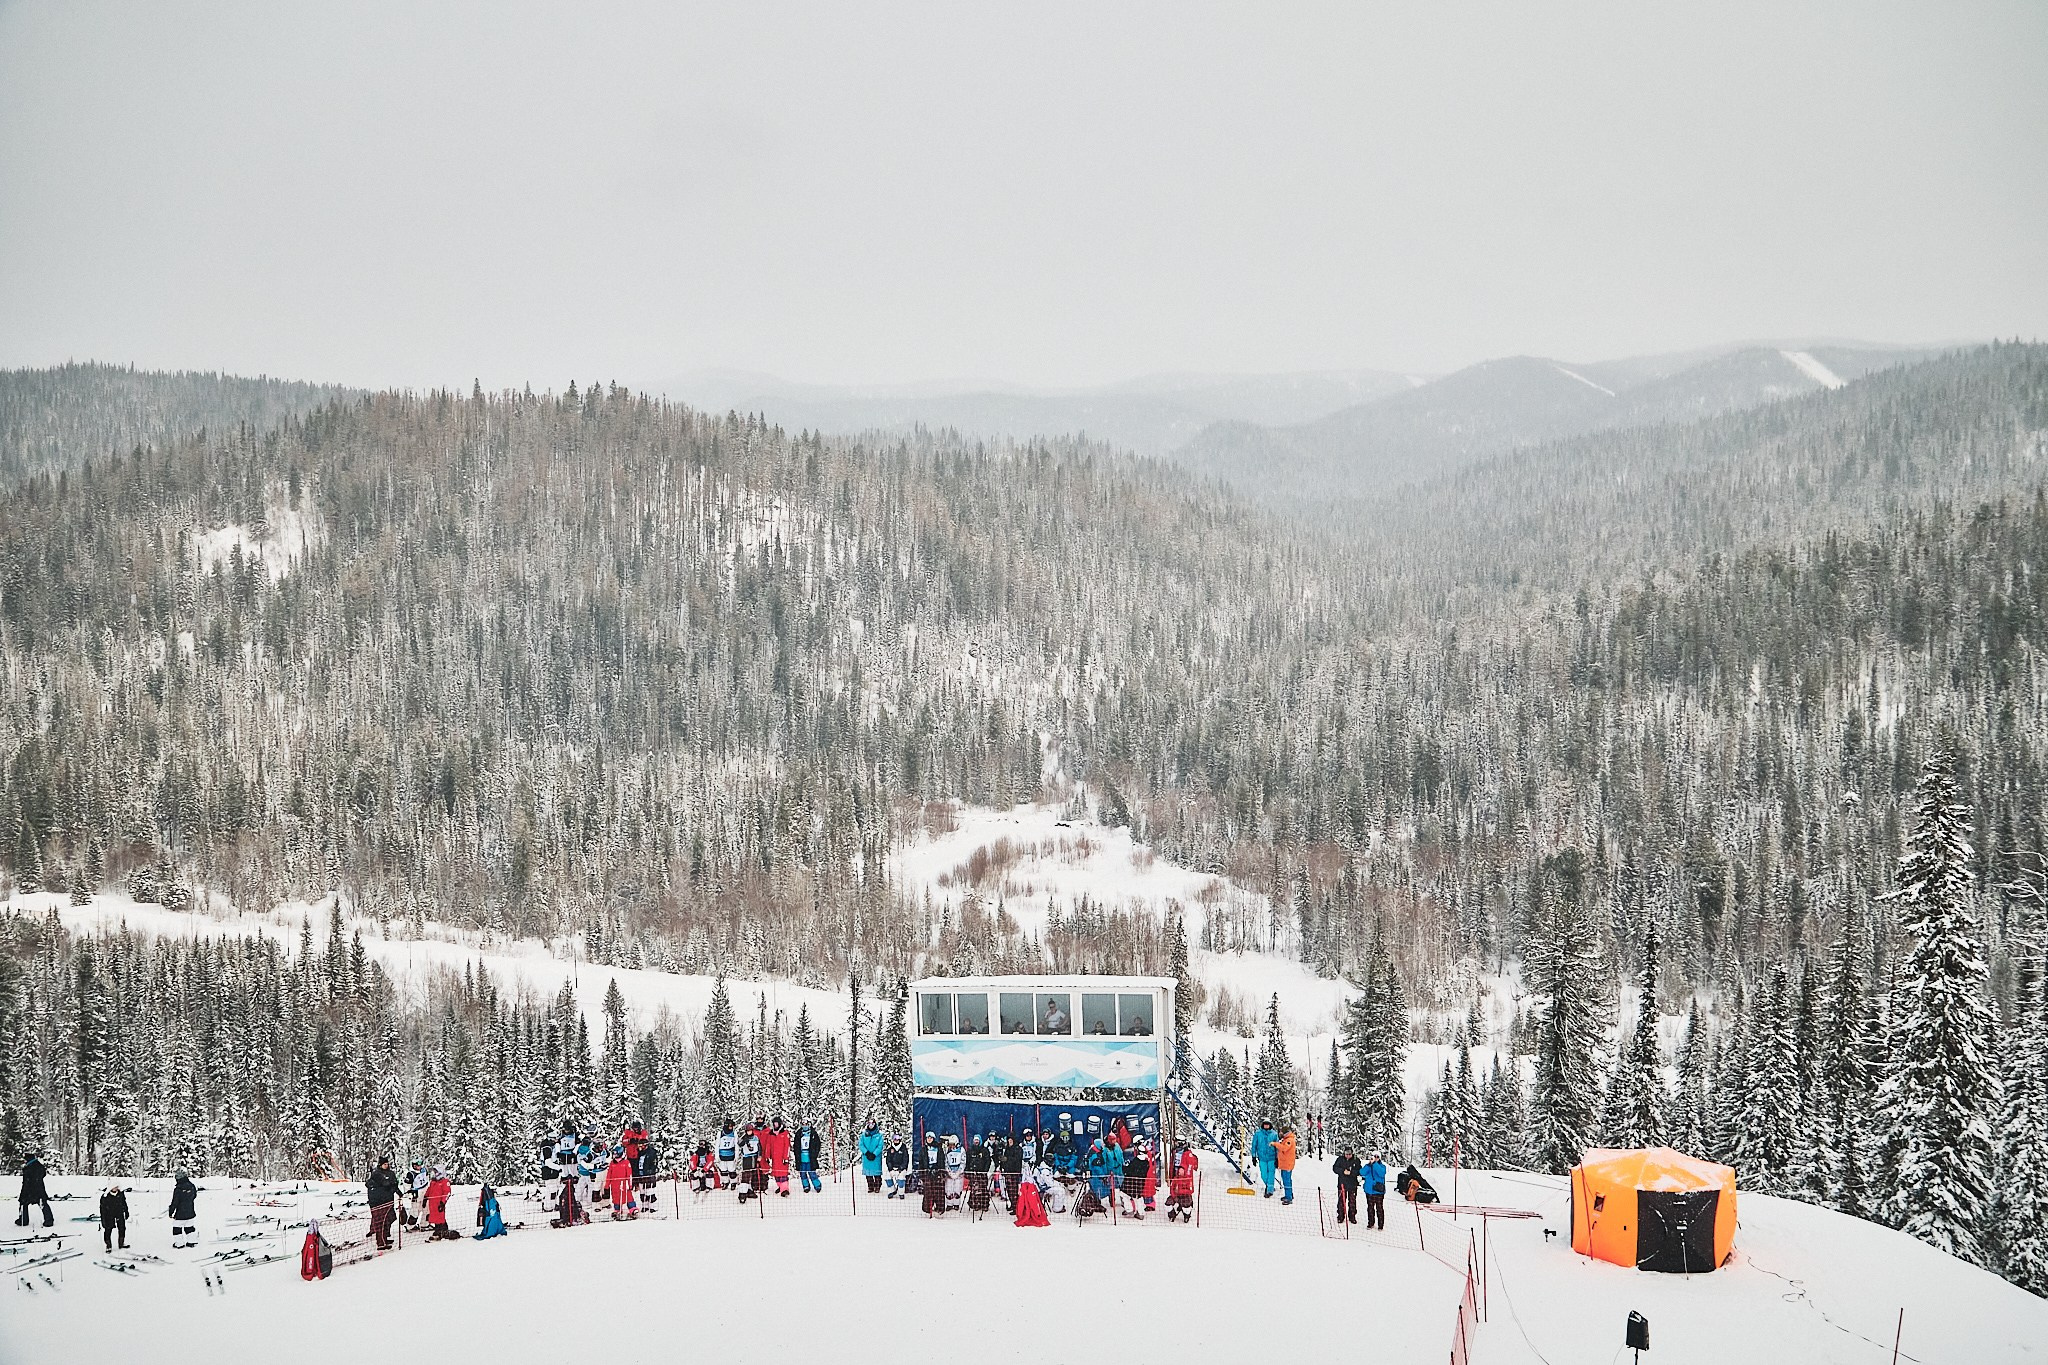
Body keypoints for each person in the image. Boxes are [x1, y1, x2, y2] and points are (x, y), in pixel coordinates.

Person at [367, 1157, 401, 1250]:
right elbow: (386, 1184)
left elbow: (393, 1184)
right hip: (379, 1203)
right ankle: (381, 1242)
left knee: (389, 1219)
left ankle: (385, 1238)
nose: (386, 1165)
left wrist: (397, 1191)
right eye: (384, 1164)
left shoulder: (391, 1173)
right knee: (380, 1223)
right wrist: (390, 1186)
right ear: (380, 1165)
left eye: (387, 1164)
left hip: (388, 1201)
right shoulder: (376, 1174)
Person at [16, 1153, 52, 1229]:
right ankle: (49, 1220)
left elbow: (27, 1181)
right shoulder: (39, 1166)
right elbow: (42, 1174)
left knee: (23, 1204)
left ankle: (23, 1220)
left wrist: (25, 1191)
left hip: (29, 1190)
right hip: (39, 1189)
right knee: (43, 1204)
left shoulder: (29, 1167)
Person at [168, 1168, 201, 1249]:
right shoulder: (192, 1186)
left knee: (177, 1228)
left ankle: (179, 1244)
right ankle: (192, 1241)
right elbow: (194, 1196)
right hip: (190, 1211)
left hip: (180, 1213)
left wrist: (171, 1211)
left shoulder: (178, 1189)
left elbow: (175, 1202)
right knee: (189, 1227)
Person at [425, 1166, 460, 1240]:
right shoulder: (433, 1182)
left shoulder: (444, 1182)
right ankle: (439, 1231)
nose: (435, 1174)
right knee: (434, 1217)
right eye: (435, 1172)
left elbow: (447, 1192)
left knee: (440, 1217)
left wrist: (443, 1202)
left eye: (437, 1172)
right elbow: (429, 1190)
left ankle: (441, 1231)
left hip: (439, 1203)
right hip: (432, 1203)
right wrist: (425, 1197)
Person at [1166, 1145, 1198, 1222]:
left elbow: (1190, 1190)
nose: (1180, 1172)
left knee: (1186, 1205)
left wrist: (1180, 1192)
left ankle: (1187, 1215)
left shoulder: (1187, 1179)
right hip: (1176, 1195)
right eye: (1179, 1170)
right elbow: (1172, 1190)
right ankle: (1172, 1215)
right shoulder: (1175, 1179)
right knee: (1168, 1204)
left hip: (1184, 1195)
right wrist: (1174, 1196)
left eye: (1181, 1170)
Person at [605, 1145, 637, 1220]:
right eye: (614, 1154)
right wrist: (607, 1185)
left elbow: (629, 1174)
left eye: (616, 1154)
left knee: (628, 1196)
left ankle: (632, 1209)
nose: (615, 1155)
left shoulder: (626, 1162)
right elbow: (609, 1174)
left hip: (624, 1183)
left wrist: (630, 1184)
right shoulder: (612, 1163)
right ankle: (617, 1210)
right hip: (614, 1184)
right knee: (616, 1198)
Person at [764, 1117, 794, 1197]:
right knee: (776, 1174)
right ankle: (781, 1186)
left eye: (777, 1124)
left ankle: (784, 1189)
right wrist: (767, 1156)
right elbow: (768, 1145)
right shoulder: (771, 1133)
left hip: (782, 1158)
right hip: (775, 1158)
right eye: (774, 1124)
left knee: (783, 1174)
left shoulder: (784, 1133)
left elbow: (787, 1146)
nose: (775, 1125)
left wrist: (786, 1158)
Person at [965, 1134, 993, 1218]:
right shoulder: (970, 1150)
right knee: (974, 1189)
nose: (976, 1141)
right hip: (973, 1173)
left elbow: (988, 1161)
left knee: (983, 1189)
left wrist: (985, 1171)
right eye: (975, 1140)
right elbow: (967, 1161)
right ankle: (975, 1204)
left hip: (982, 1173)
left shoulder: (984, 1150)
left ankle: (984, 1204)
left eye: (977, 1140)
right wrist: (968, 1171)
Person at [1333, 1147, 1361, 1226]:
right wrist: (1342, 1171)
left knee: (1352, 1201)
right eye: (1346, 1154)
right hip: (1342, 1184)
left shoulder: (1356, 1160)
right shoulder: (1340, 1159)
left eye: (1349, 1154)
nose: (1348, 1156)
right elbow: (1335, 1168)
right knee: (1341, 1201)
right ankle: (1341, 1216)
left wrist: (1351, 1172)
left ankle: (1352, 1216)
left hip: (1352, 1184)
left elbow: (1359, 1171)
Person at [793, 1121, 825, 1193]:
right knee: (803, 1173)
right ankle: (806, 1186)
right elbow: (796, 1146)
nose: (804, 1126)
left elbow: (818, 1144)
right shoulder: (798, 1134)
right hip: (801, 1157)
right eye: (803, 1124)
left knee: (812, 1172)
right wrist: (797, 1155)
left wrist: (815, 1154)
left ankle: (817, 1185)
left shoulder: (813, 1134)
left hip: (810, 1157)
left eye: (806, 1124)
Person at [633, 1133, 662, 1210]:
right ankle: (645, 1206)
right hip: (640, 1175)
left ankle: (652, 1207)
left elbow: (654, 1163)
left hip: (649, 1175)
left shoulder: (651, 1153)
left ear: (645, 1146)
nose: (639, 1148)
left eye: (641, 1146)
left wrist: (650, 1171)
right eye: (638, 1146)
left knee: (650, 1191)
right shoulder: (639, 1153)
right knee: (642, 1192)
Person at [1251, 1120, 1279, 1198]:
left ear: (1270, 1125)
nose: (1266, 1126)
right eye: (1265, 1124)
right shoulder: (1258, 1134)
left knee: (1271, 1173)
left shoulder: (1274, 1134)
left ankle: (1269, 1190)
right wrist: (1253, 1156)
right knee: (1264, 1174)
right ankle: (1269, 1186)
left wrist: (1277, 1158)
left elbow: (1277, 1146)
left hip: (1272, 1157)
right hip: (1262, 1157)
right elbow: (1254, 1145)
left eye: (1268, 1125)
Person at [98, 1183, 129, 1251]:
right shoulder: (105, 1196)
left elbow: (124, 1203)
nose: (116, 1188)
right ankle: (108, 1246)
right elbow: (102, 1209)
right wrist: (103, 1220)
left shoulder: (120, 1194)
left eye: (117, 1186)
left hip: (119, 1213)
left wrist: (126, 1211)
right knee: (108, 1229)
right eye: (114, 1187)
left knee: (122, 1228)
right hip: (109, 1215)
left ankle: (121, 1243)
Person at [1364, 1152, 1388, 1230]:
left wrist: (1374, 1164)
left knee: (1379, 1208)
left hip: (1378, 1191)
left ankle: (1380, 1225)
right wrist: (1368, 1165)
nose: (1375, 1158)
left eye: (1377, 1157)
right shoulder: (1368, 1166)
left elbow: (1381, 1173)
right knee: (1370, 1208)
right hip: (1369, 1191)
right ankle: (1370, 1223)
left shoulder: (1382, 1166)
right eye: (1374, 1156)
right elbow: (1362, 1172)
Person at [1276, 1125, 1298, 1205]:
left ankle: (1288, 1198)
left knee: (1286, 1180)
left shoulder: (1289, 1140)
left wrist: (1276, 1144)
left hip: (1287, 1164)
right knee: (1286, 1180)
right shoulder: (1286, 1139)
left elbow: (1284, 1148)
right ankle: (1289, 1195)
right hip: (1285, 1164)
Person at [408, 1157, 432, 1228]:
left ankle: (424, 1224)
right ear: (414, 1166)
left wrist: (428, 1190)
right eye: (418, 1165)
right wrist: (410, 1194)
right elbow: (406, 1185)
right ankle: (410, 1225)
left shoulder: (424, 1170)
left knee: (426, 1208)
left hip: (424, 1192)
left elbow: (427, 1180)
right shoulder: (411, 1174)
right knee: (415, 1211)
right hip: (416, 1193)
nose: (419, 1166)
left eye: (420, 1165)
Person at [884, 1134, 910, 1199]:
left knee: (901, 1179)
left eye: (897, 1138)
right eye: (894, 1138)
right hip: (893, 1168)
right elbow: (888, 1160)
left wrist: (901, 1168)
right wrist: (890, 1169)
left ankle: (901, 1193)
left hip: (901, 1168)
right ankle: (892, 1191)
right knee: (887, 1177)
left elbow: (905, 1160)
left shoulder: (903, 1148)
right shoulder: (890, 1149)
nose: (896, 1140)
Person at [716, 1120, 739, 1189]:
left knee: (732, 1170)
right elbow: (717, 1145)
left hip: (731, 1155)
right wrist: (717, 1156)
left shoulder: (734, 1133)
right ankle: (725, 1182)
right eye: (730, 1126)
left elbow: (736, 1145)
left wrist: (736, 1155)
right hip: (722, 1155)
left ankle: (733, 1183)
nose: (731, 1127)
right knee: (723, 1170)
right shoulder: (720, 1133)